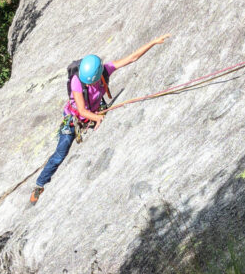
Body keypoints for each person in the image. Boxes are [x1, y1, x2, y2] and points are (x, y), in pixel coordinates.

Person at [30, 35, 171, 204]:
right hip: (75, 118)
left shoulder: (104, 70)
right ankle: (39, 185)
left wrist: (153, 42)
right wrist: (97, 118)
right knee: (60, 154)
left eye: (91, 82)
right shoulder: (77, 81)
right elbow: (82, 110)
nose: (88, 84)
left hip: (95, 111)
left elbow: (131, 58)